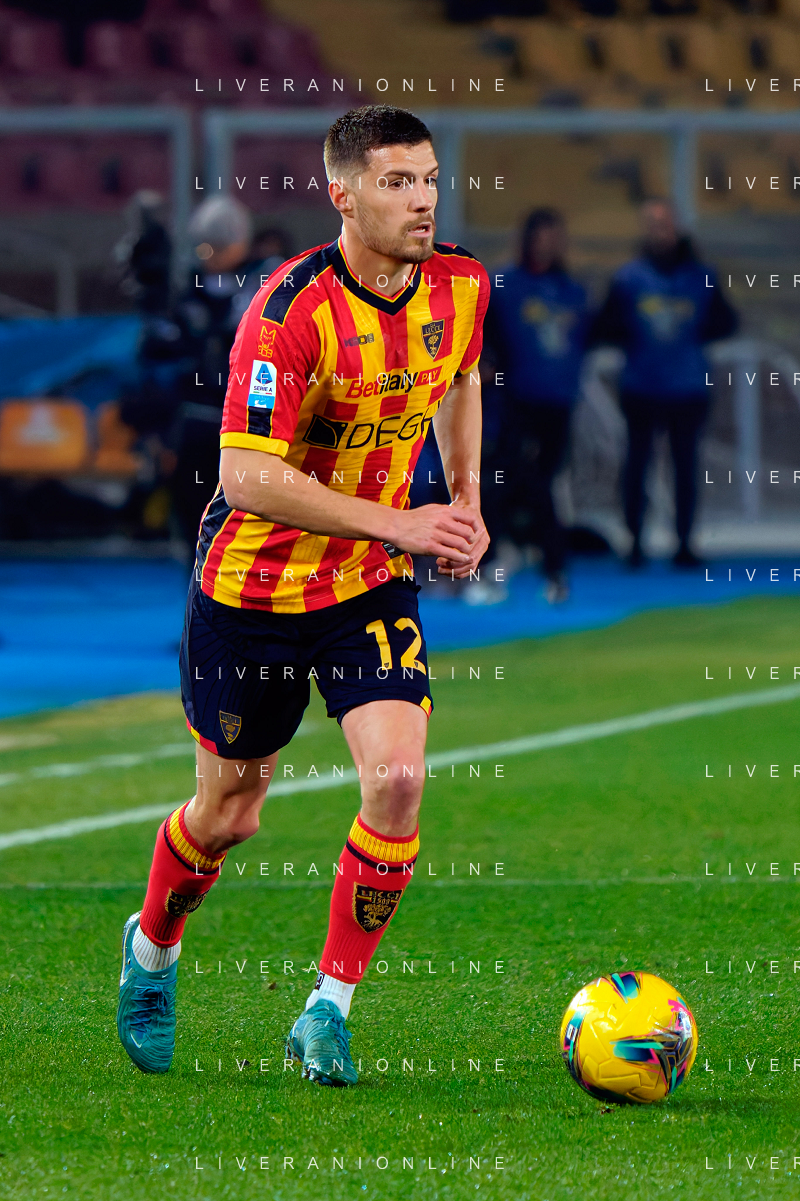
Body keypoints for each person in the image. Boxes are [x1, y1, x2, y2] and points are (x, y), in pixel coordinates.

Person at [116, 105, 491, 1087]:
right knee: (228, 813)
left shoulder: (459, 283)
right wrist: (402, 521)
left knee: (397, 781)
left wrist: (462, 498)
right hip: (253, 588)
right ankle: (151, 948)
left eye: (428, 179)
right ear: (343, 196)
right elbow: (245, 476)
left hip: (363, 585)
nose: (422, 200)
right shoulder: (288, 315)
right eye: (396, 182)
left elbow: (458, 376)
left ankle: (327, 1009)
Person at [591, 197, 738, 568]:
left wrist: (690, 336)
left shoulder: (701, 276)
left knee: (685, 468)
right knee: (637, 467)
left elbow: (726, 321)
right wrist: (633, 336)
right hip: (641, 385)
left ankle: (684, 542)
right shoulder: (629, 278)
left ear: (677, 228)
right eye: (653, 225)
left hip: (687, 386)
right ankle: (634, 541)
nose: (660, 232)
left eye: (665, 224)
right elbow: (606, 325)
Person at [484, 208, 589, 603]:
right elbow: (483, 336)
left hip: (557, 403)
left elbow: (585, 338)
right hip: (515, 402)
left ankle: (530, 561)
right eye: (542, 237)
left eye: (554, 238)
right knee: (505, 481)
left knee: (541, 484)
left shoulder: (571, 290)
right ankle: (511, 563)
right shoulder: (505, 285)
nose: (547, 246)